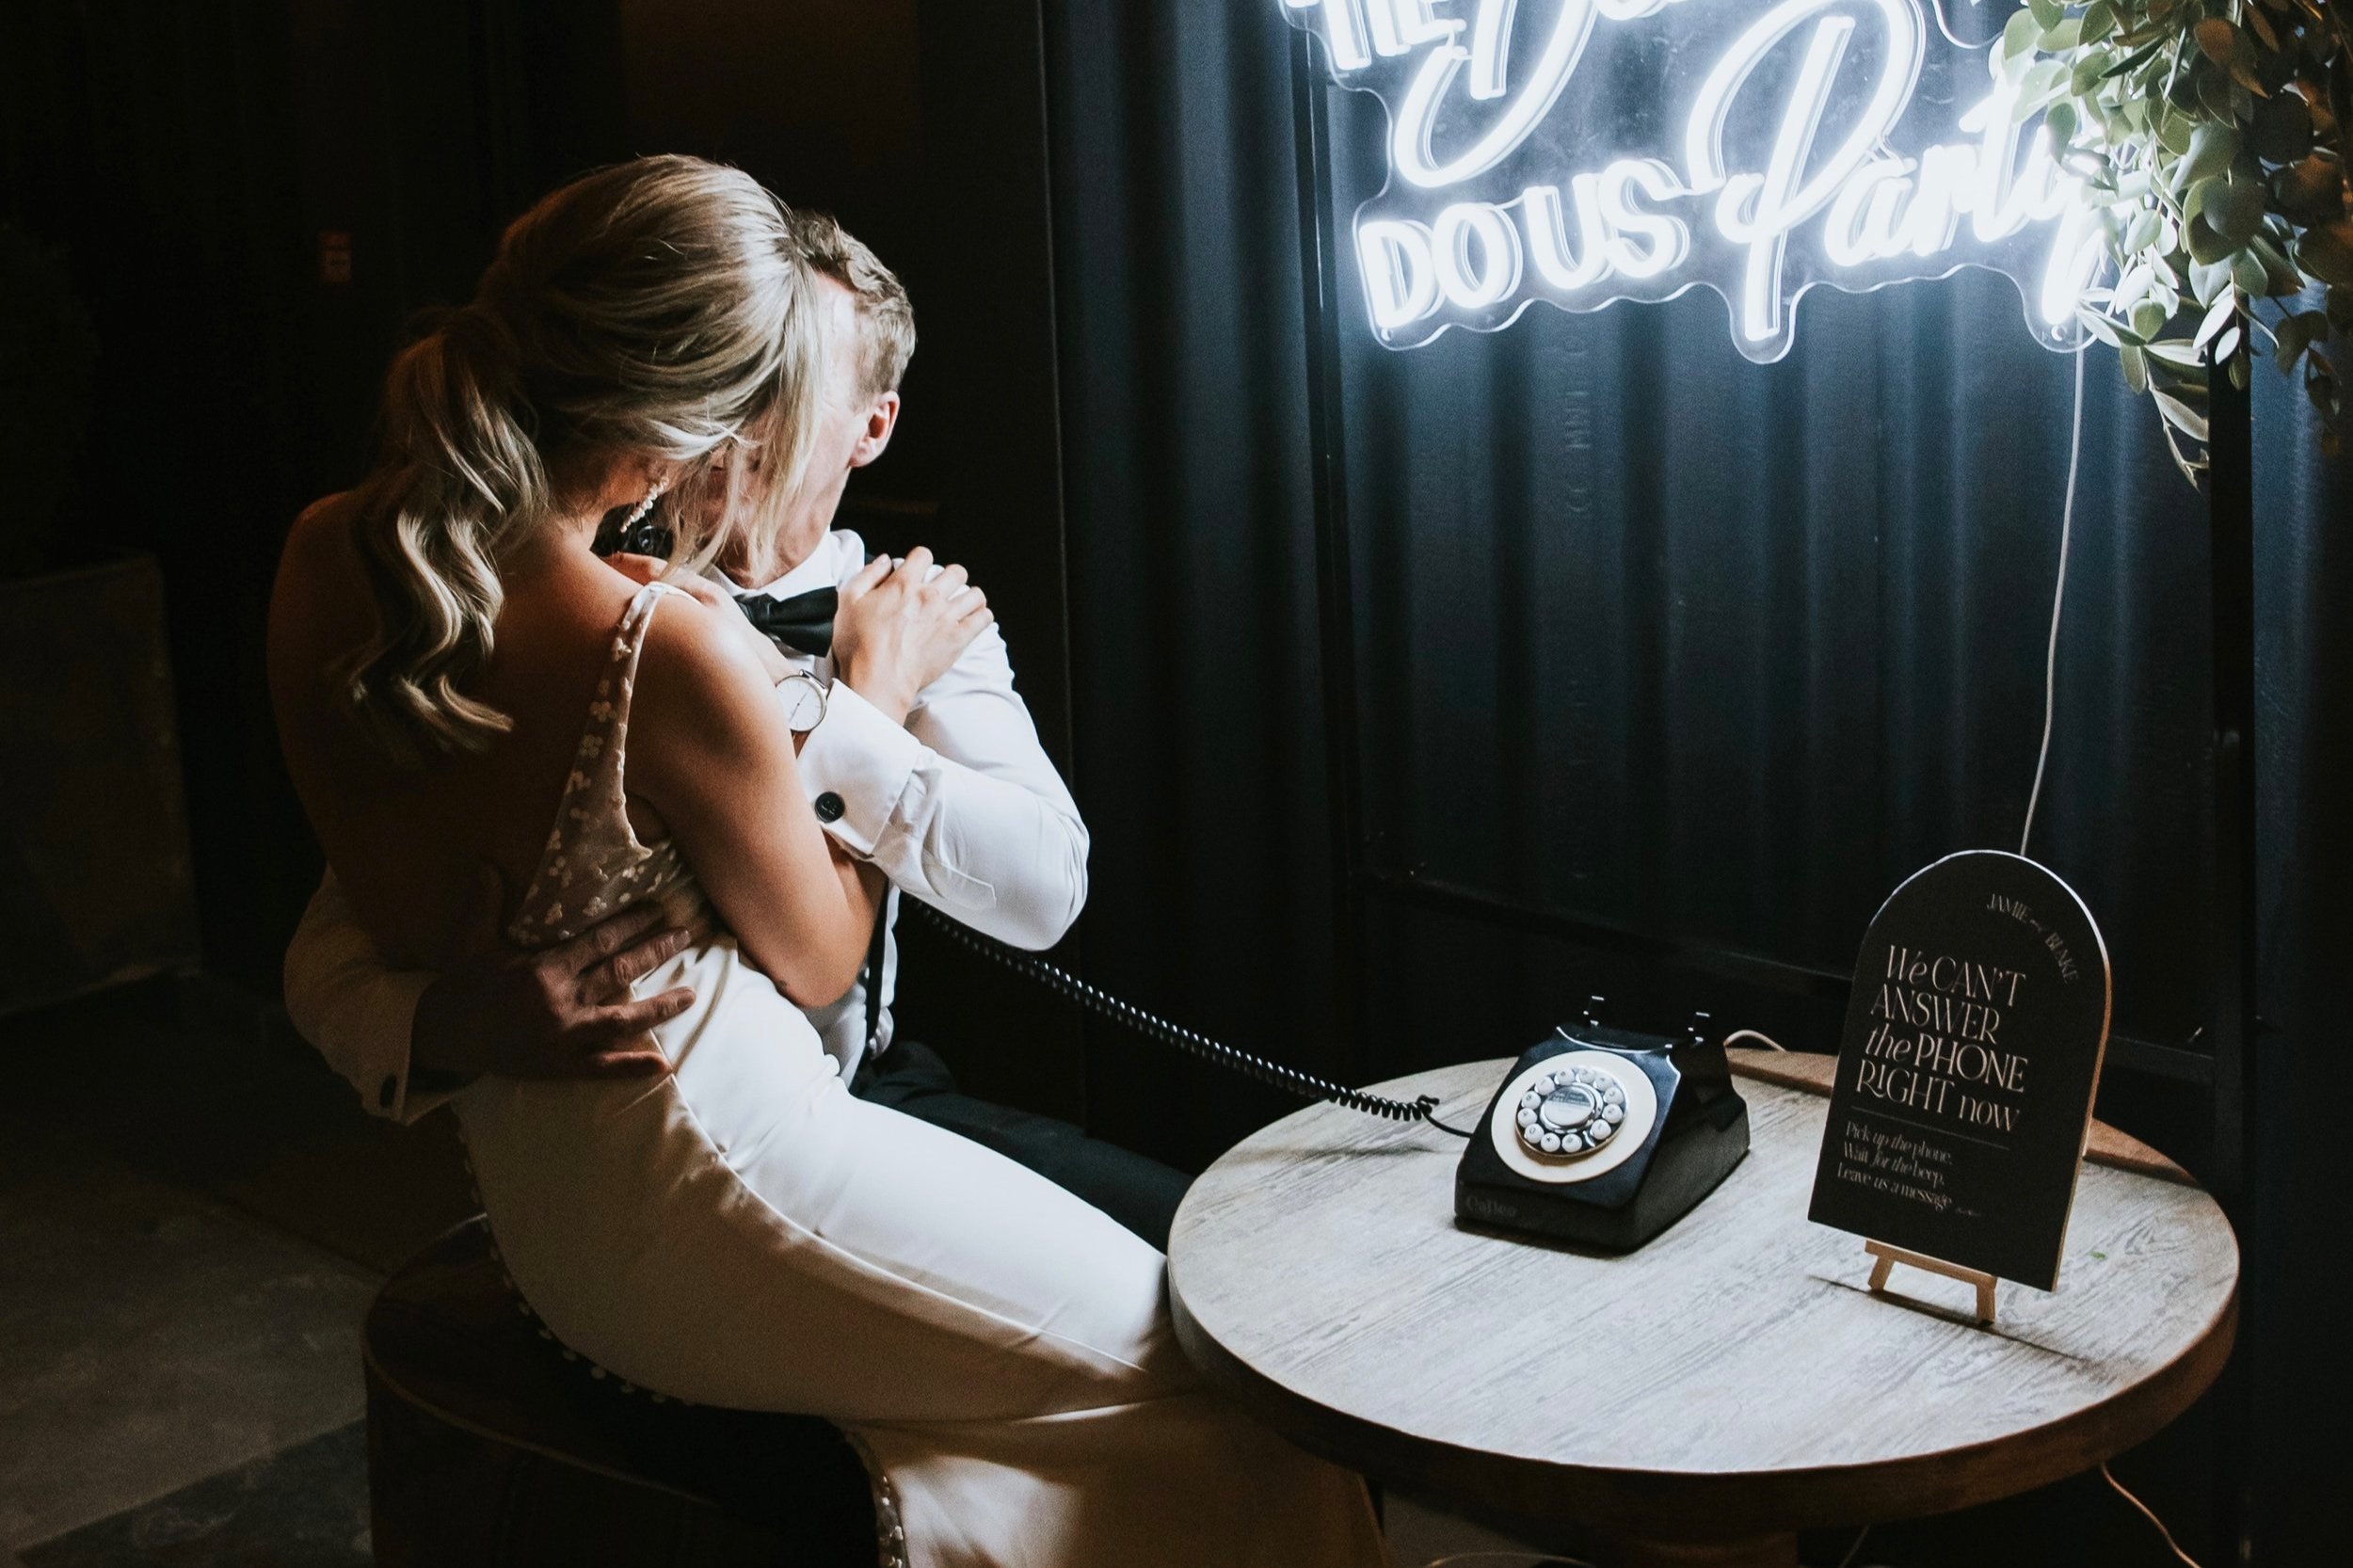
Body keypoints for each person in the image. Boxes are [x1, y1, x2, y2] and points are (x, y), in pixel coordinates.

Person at [267, 155, 1385, 1568]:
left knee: (1151, 1360)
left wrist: (451, 1020)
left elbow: (1046, 886)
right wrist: (854, 696)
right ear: (707, 411)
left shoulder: (330, 556)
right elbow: (821, 955)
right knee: (1213, 1376)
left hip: (565, 1203)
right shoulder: (662, 642)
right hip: (723, 1162)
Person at [282, 209, 1189, 1250]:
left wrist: (843, 712)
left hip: (873, 1095)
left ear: (873, 426)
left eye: (788, 390)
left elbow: (1044, 894)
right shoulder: (574, 607)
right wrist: (441, 1027)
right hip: (645, 1156)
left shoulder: (908, 617)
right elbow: (336, 932)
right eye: (735, 381)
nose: (743, 426)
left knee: (1206, 1246)